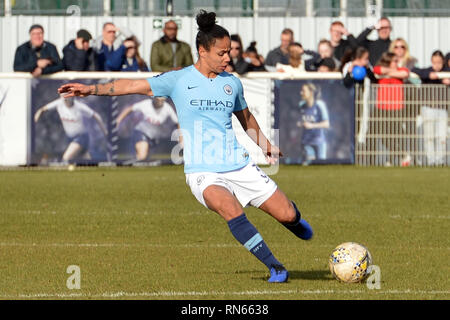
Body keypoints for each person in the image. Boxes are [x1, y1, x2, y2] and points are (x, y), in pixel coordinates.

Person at [58, 10, 313, 283]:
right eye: (222, 53)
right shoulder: (178, 79)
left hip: (239, 164)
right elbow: (132, 84)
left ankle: (294, 220)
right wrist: (90, 89)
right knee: (231, 210)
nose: (228, 58)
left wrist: (266, 145)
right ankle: (276, 267)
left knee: (286, 213)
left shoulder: (232, 83)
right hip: (202, 170)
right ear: (203, 51)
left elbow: (246, 118)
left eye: (229, 52)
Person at [34, 94, 108, 162]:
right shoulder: (59, 103)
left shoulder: (79, 106)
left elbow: (96, 115)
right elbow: (42, 109)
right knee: (86, 160)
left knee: (66, 158)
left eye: (67, 97)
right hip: (70, 137)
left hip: (81, 137)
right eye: (63, 98)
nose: (65, 100)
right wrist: (37, 116)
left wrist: (105, 131)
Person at [373, 52, 410, 166]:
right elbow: (377, 70)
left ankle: (392, 159)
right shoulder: (380, 68)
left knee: (396, 134)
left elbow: (404, 73)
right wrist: (392, 73)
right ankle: (402, 154)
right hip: (383, 108)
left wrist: (389, 73)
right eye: (394, 61)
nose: (396, 62)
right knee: (385, 136)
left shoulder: (401, 69)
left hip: (397, 108)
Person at [296, 83, 330, 165]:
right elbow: (299, 121)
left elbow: (326, 124)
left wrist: (312, 125)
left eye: (303, 91)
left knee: (321, 166)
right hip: (306, 142)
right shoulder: (301, 106)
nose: (301, 93)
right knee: (308, 164)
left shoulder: (319, 105)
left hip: (319, 142)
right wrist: (300, 124)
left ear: (311, 92)